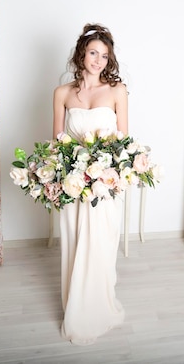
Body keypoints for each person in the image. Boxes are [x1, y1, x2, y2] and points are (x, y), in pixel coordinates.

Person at [52, 23, 129, 345]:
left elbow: (124, 139)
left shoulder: (117, 91)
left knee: (101, 243)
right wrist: (62, 173)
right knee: (74, 242)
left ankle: (99, 305)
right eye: (93, 52)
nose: (98, 60)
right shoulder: (62, 93)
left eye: (104, 55)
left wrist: (109, 171)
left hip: (103, 186)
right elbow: (56, 142)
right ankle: (76, 306)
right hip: (73, 185)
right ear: (82, 53)